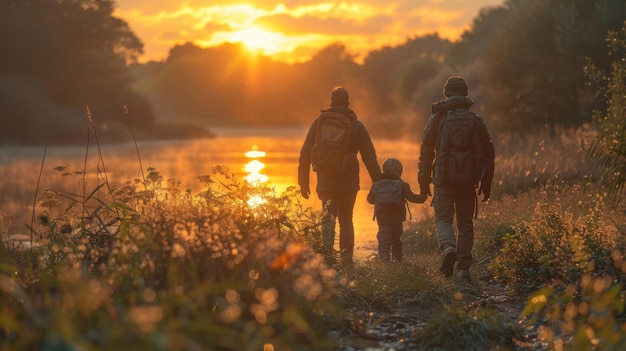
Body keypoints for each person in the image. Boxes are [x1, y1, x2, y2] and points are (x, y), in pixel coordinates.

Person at [418, 76, 495, 280]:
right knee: (465, 224)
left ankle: (448, 248)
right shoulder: (476, 120)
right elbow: (488, 151)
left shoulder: (437, 119)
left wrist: (423, 179)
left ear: (446, 93)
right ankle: (463, 270)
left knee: (443, 219)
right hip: (468, 181)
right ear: (466, 93)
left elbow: (426, 150)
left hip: (443, 180)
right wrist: (487, 183)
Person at [298, 86, 382, 266]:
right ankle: (346, 261)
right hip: (349, 182)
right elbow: (370, 157)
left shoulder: (319, 122)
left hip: (326, 181)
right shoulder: (357, 126)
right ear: (348, 103)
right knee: (346, 220)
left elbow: (305, 152)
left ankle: (327, 261)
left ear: (331, 103)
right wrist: (378, 183)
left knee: (328, 219)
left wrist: (303, 181)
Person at [367, 158, 427, 262]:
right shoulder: (402, 185)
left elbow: (370, 200)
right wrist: (424, 195)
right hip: (397, 220)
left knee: (383, 243)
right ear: (400, 172)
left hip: (382, 220)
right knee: (397, 243)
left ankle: (384, 264)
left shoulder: (376, 184)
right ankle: (397, 264)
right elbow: (413, 198)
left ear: (384, 170)